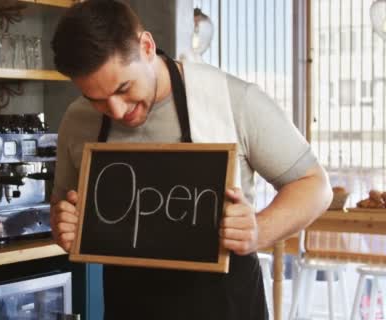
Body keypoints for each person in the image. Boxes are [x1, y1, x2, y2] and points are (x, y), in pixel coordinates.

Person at [49, 1, 333, 319]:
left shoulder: (233, 100)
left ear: (146, 46)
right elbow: (64, 210)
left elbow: (315, 186)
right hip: (129, 306)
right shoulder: (77, 121)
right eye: (96, 99)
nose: (116, 110)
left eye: (124, 88)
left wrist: (258, 232)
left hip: (224, 306)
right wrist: (65, 228)